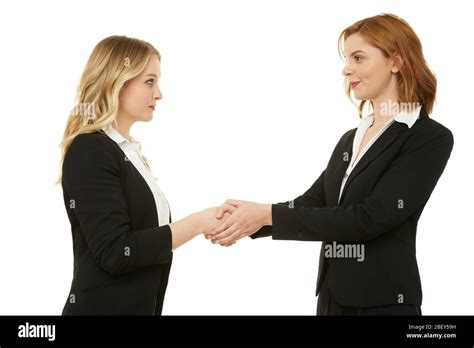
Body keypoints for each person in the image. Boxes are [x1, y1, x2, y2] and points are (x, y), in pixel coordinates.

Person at [209, 13, 454, 315]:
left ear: (396, 62)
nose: (346, 69)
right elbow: (315, 202)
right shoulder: (352, 138)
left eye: (358, 58)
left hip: (383, 304)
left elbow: (370, 218)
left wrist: (264, 215)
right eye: (347, 59)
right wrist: (247, 221)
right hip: (330, 300)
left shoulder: (428, 137)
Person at [58, 35, 232, 315]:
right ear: (117, 80)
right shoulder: (90, 149)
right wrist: (199, 223)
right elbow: (116, 252)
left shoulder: (128, 154)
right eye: (149, 81)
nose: (159, 93)